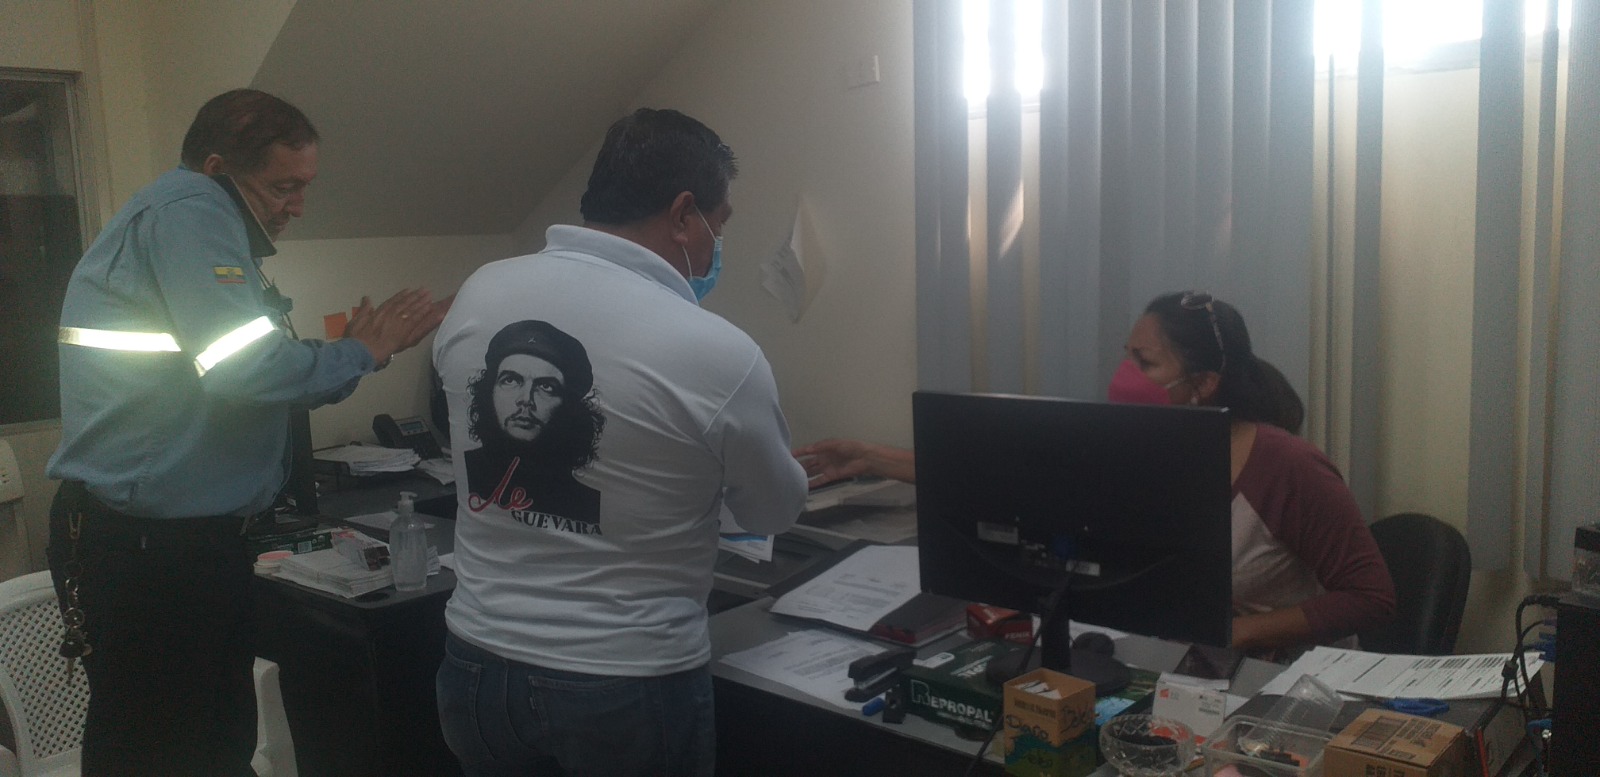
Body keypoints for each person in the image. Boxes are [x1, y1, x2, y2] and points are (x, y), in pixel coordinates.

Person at [45, 88, 450, 776]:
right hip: (151, 549)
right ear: (217, 169)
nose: (298, 205)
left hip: (187, 542)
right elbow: (244, 369)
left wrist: (349, 356)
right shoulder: (192, 209)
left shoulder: (194, 219)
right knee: (159, 750)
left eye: (304, 186)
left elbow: (251, 372)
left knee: (210, 740)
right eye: (283, 187)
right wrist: (361, 353)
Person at [432, 108, 808, 777]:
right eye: (719, 225)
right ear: (684, 213)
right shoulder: (718, 351)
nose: (717, 246)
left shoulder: (481, 289)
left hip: (476, 667)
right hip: (625, 683)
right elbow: (773, 512)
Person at [796, 291, 1395, 655]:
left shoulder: (1287, 466)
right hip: (1179, 669)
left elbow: (1371, 598)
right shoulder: (1135, 450)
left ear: (1203, 384)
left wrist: (1231, 632)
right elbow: (1005, 483)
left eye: (1144, 361)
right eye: (1125, 355)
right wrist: (871, 459)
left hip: (1285, 687)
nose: (1124, 375)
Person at [463, 319, 604, 525]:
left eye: (546, 387)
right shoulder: (466, 472)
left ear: (568, 406)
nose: (526, 400)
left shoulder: (588, 504)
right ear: (490, 391)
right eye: (510, 380)